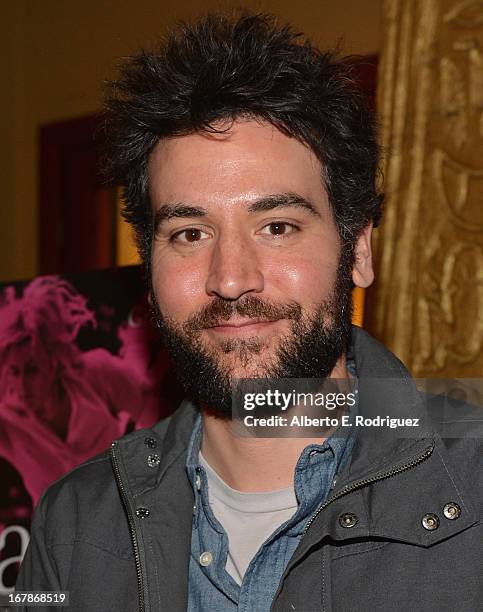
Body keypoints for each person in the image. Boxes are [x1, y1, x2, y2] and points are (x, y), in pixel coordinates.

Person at [16, 13, 481, 612]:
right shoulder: (73, 522)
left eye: (278, 226)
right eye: (188, 233)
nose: (231, 278)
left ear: (358, 250)